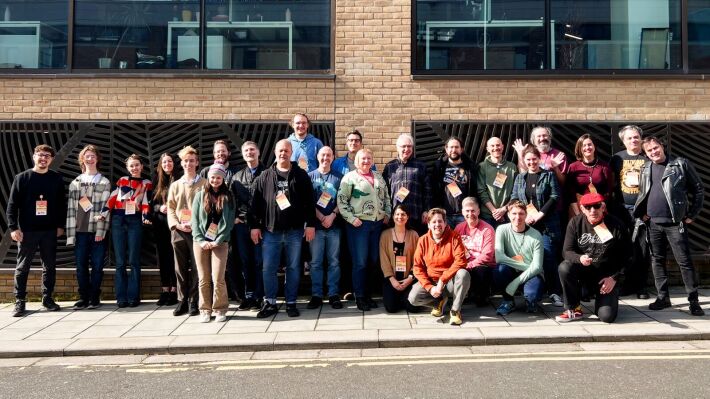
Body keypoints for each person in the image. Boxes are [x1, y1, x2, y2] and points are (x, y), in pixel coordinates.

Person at [634, 136, 705, 316]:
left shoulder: (680, 164)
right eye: (649, 150)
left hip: (675, 223)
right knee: (657, 259)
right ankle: (662, 297)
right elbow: (643, 192)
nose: (653, 152)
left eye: (656, 148)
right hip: (653, 223)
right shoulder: (646, 167)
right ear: (646, 153)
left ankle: (693, 301)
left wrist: (691, 215)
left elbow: (698, 189)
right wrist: (642, 212)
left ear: (662, 146)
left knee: (684, 262)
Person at [250, 139, 316, 318]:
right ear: (275, 151)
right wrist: (254, 226)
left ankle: (291, 302)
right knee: (268, 268)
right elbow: (255, 204)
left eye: (286, 151)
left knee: (294, 268)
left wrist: (310, 224)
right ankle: (270, 302)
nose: (283, 154)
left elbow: (310, 202)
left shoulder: (301, 175)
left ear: (291, 152)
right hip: (271, 231)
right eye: (280, 150)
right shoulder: (264, 176)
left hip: (294, 231)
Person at [7, 145, 66, 317]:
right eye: (40, 155)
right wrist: (13, 227)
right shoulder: (22, 178)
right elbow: (12, 205)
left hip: (49, 230)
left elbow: (61, 205)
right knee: (22, 266)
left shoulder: (56, 178)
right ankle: (20, 301)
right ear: (34, 157)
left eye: (47, 156)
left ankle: (47, 298)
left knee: (49, 266)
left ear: (51, 159)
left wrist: (60, 225)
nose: (43, 158)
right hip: (27, 231)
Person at [556, 193, 631, 323]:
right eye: (588, 207)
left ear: (603, 207)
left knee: (606, 317)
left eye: (596, 206)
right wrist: (579, 258)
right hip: (583, 272)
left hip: (606, 277)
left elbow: (629, 256)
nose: (592, 210)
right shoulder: (575, 223)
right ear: (582, 209)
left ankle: (607, 301)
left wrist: (614, 278)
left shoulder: (616, 225)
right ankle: (573, 309)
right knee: (564, 267)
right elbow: (566, 251)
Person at [338, 148, 391, 311]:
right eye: (363, 159)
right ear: (357, 161)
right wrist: (352, 219)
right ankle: (359, 296)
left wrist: (387, 213)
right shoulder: (350, 178)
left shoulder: (378, 177)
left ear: (372, 160)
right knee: (360, 262)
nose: (366, 161)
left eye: (369, 158)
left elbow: (386, 197)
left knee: (373, 260)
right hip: (359, 225)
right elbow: (341, 201)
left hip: (377, 225)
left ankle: (368, 295)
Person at [510, 145, 563, 307]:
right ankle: (531, 290)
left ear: (539, 159)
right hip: (526, 225)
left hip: (546, 224)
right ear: (524, 161)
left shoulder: (547, 175)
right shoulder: (520, 177)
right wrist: (520, 216)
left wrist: (540, 214)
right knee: (526, 257)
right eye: (528, 160)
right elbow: (514, 197)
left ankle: (554, 292)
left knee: (548, 257)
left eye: (534, 159)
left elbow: (555, 196)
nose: (532, 162)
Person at [100, 154, 152, 308]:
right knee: (121, 261)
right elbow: (113, 197)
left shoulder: (146, 183)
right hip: (118, 220)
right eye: (131, 166)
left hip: (135, 220)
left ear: (142, 166)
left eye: (137, 165)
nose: (134, 168)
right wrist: (103, 213)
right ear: (127, 168)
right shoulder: (122, 180)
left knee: (134, 261)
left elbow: (146, 201)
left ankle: (133, 297)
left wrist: (145, 216)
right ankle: (121, 297)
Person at [66, 145, 111, 310]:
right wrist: (70, 234)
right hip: (79, 231)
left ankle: (94, 297)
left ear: (97, 159)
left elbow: (106, 209)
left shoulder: (104, 181)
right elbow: (71, 209)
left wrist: (101, 230)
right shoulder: (75, 182)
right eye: (87, 156)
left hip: (96, 231)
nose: (90, 159)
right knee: (81, 266)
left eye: (93, 156)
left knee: (98, 266)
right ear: (82, 159)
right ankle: (83, 297)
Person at [408, 208, 470, 325]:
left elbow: (461, 261)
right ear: (429, 225)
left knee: (463, 274)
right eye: (434, 222)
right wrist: (429, 287)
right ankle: (439, 302)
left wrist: (442, 279)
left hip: (450, 282)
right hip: (432, 281)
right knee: (413, 298)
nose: (437, 225)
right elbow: (417, 267)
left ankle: (455, 310)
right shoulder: (422, 240)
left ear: (445, 223)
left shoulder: (455, 237)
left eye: (440, 221)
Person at [191, 163, 235, 323]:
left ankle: (220, 309)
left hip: (220, 242)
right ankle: (205, 309)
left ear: (222, 179)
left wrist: (218, 240)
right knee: (203, 278)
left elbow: (229, 222)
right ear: (208, 178)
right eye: (212, 177)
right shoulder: (199, 194)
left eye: (218, 177)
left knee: (218, 277)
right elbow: (194, 220)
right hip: (200, 242)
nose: (215, 180)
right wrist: (201, 240)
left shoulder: (228, 196)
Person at [610, 125, 649, 299]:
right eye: (629, 138)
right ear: (623, 141)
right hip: (621, 210)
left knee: (642, 250)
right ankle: (623, 286)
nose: (633, 140)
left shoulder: (648, 157)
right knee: (622, 249)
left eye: (636, 137)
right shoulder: (617, 159)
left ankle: (640, 287)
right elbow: (611, 185)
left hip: (643, 211)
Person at [199, 140, 241, 301]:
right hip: (208, 226)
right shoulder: (205, 172)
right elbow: (200, 197)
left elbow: (237, 197)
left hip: (229, 223)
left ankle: (235, 294)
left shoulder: (236, 172)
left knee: (231, 260)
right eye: (217, 151)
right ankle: (210, 298)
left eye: (223, 151)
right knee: (209, 264)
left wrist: (236, 217)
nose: (220, 154)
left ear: (229, 153)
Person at [167, 145, 206, 317]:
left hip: (198, 232)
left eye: (191, 161)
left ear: (197, 163)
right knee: (180, 268)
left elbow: (208, 208)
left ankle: (194, 301)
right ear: (181, 164)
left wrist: (196, 224)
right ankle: (182, 300)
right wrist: (176, 224)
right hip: (179, 231)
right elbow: (170, 208)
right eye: (185, 161)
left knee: (198, 267)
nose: (188, 164)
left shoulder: (205, 184)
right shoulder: (175, 185)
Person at [231, 141, 266, 311]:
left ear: (258, 152)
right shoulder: (237, 176)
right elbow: (230, 201)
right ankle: (249, 295)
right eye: (246, 150)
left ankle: (260, 296)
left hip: (261, 226)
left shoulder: (267, 174)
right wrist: (233, 218)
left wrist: (259, 224)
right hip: (242, 226)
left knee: (260, 261)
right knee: (245, 262)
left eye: (252, 149)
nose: (249, 152)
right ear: (243, 154)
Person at [493, 200, 544, 316]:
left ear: (526, 215)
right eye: (514, 213)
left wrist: (515, 283)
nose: (518, 217)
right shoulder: (501, 230)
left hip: (531, 274)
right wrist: (527, 267)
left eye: (521, 214)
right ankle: (508, 301)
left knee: (533, 297)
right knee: (499, 270)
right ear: (508, 215)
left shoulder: (536, 235)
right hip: (517, 269)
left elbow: (537, 268)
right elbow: (499, 258)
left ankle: (530, 301)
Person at [307, 146, 343, 309]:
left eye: (328, 155)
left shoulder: (339, 177)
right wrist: (321, 217)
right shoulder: (309, 176)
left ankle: (334, 294)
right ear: (317, 156)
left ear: (333, 157)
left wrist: (332, 215)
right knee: (315, 262)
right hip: (316, 227)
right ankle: (316, 295)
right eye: (323, 155)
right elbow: (306, 202)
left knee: (334, 262)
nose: (325, 158)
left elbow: (343, 201)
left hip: (334, 227)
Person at [383, 133, 431, 233]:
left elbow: (428, 191)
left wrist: (427, 210)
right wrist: (386, 213)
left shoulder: (420, 166)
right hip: (396, 215)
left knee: (415, 245)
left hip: (416, 214)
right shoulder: (390, 166)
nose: (406, 149)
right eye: (403, 146)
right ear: (397, 148)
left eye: (409, 146)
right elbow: (384, 192)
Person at [454, 197, 495, 306]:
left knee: (480, 270)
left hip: (481, 265)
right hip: (464, 263)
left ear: (478, 211)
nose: (470, 213)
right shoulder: (458, 228)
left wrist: (469, 265)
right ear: (462, 212)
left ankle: (482, 296)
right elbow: (454, 250)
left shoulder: (487, 229)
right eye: (467, 211)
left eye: (473, 210)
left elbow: (487, 255)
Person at [379, 204, 419, 313]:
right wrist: (392, 279)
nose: (400, 217)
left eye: (403, 214)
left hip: (409, 279)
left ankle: (404, 298)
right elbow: (384, 259)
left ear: (407, 217)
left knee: (413, 308)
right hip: (392, 280)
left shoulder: (414, 235)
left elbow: (418, 259)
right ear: (393, 216)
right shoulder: (385, 235)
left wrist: (410, 278)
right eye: (397, 214)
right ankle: (399, 298)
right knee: (391, 308)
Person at [151, 153, 178, 307]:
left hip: (176, 225)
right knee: (163, 258)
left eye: (169, 161)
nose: (167, 164)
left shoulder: (179, 179)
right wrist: (159, 207)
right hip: (160, 225)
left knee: (175, 258)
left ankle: (174, 290)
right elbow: (150, 205)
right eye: (164, 162)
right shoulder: (157, 181)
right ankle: (165, 289)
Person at [566, 134, 614, 217]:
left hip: (598, 208)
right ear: (579, 149)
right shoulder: (573, 167)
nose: (587, 148)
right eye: (584, 145)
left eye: (589, 144)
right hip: (578, 208)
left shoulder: (604, 167)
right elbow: (570, 192)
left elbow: (608, 191)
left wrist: (600, 209)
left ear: (594, 147)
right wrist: (578, 215)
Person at [432, 137, 476, 228]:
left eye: (456, 147)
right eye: (451, 147)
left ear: (461, 149)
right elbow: (433, 189)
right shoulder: (439, 167)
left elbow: (474, 190)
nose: (453, 150)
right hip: (445, 215)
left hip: (464, 215)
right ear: (446, 149)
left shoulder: (469, 167)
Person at [477, 137, 517, 228]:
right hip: (487, 215)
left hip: (508, 214)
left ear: (502, 147)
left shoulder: (512, 167)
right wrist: (495, 212)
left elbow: (516, 192)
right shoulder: (482, 167)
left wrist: (504, 209)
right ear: (487, 149)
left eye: (498, 145)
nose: (496, 148)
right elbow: (481, 191)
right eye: (492, 146)